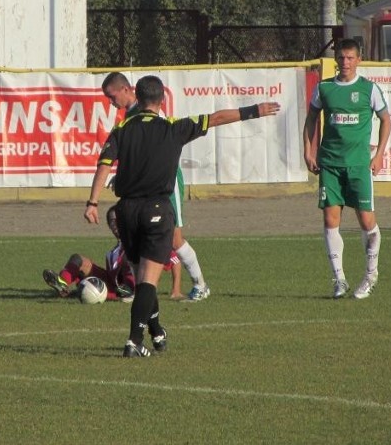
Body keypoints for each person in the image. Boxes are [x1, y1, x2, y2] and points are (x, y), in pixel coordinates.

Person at [85, 75, 280, 357]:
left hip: (125, 211)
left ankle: (157, 332)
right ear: (162, 99)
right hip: (155, 209)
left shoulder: (122, 129)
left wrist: (92, 202)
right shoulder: (174, 128)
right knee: (148, 282)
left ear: (137, 98)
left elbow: (103, 166)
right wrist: (253, 111)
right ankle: (134, 341)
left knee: (143, 278)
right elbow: (215, 118)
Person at [101, 71, 210, 301]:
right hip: (146, 185)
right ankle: (139, 289)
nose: (111, 103)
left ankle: (200, 284)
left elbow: (157, 148)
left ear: (126, 90)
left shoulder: (146, 110)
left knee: (175, 239)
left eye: (112, 97)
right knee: (141, 235)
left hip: (165, 180)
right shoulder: (130, 116)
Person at [303, 38, 391, 300]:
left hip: (358, 166)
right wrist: (309, 151)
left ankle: (370, 275)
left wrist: (379, 155)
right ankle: (339, 279)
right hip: (330, 164)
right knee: (330, 220)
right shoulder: (325, 88)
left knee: (366, 221)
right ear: (336, 60)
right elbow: (310, 120)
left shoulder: (368, 89)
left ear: (359, 60)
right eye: (341, 58)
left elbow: (386, 120)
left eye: (350, 58)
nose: (345, 63)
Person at [43, 205, 182, 301]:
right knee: (78, 259)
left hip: (136, 289)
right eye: (111, 222)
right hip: (114, 287)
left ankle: (130, 290)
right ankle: (62, 283)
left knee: (129, 257)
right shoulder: (113, 252)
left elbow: (174, 259)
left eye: (117, 220)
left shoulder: (142, 240)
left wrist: (175, 290)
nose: (114, 224)